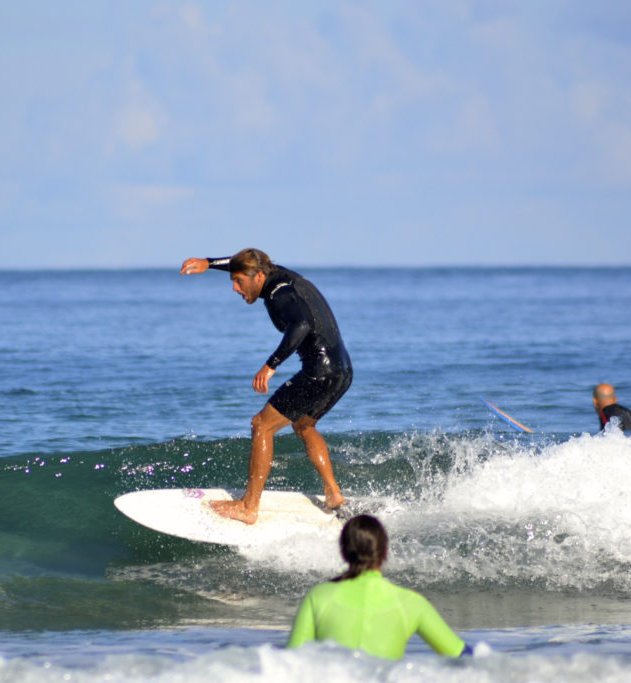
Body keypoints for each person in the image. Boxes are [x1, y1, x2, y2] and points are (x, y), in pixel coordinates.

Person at [180, 248, 351, 525]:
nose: (235, 288)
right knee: (304, 426)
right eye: (233, 280)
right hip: (342, 370)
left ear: (259, 276)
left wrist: (271, 365)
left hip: (319, 371)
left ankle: (249, 506)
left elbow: (302, 324)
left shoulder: (278, 294)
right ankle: (334, 495)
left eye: (239, 281)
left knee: (262, 425)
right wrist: (208, 263)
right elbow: (247, 264)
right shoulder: (276, 274)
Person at [287, 514, 472, 659]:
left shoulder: (319, 596)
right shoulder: (410, 602)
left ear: (343, 552)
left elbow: (292, 660)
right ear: (385, 552)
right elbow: (461, 655)